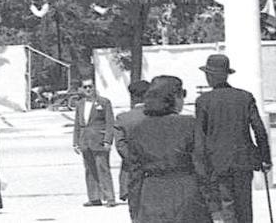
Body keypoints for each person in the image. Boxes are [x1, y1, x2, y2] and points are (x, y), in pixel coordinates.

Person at [193, 54, 271, 223]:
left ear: (210, 76)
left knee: (227, 204)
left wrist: (200, 166)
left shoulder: (203, 101)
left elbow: (200, 137)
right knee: (245, 205)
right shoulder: (245, 97)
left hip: (217, 162)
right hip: (243, 160)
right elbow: (259, 130)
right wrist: (265, 158)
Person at [121, 76, 211, 223]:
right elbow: (202, 165)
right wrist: (213, 203)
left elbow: (134, 174)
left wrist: (135, 210)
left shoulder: (138, 129)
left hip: (151, 195)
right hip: (187, 194)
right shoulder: (190, 124)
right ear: (175, 97)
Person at [71, 78, 116, 207]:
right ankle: (94, 198)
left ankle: (109, 198)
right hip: (85, 141)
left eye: (90, 87)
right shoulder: (80, 104)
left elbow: (110, 123)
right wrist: (75, 142)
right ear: (81, 89)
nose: (88, 89)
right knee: (89, 170)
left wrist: (108, 140)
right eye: (85, 87)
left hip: (99, 140)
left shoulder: (104, 102)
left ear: (94, 87)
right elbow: (77, 125)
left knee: (103, 169)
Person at [112, 79, 150, 222]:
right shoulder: (158, 117)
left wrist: (135, 161)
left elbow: (121, 146)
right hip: (155, 173)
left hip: (131, 171)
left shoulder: (123, 119)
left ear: (133, 97)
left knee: (135, 212)